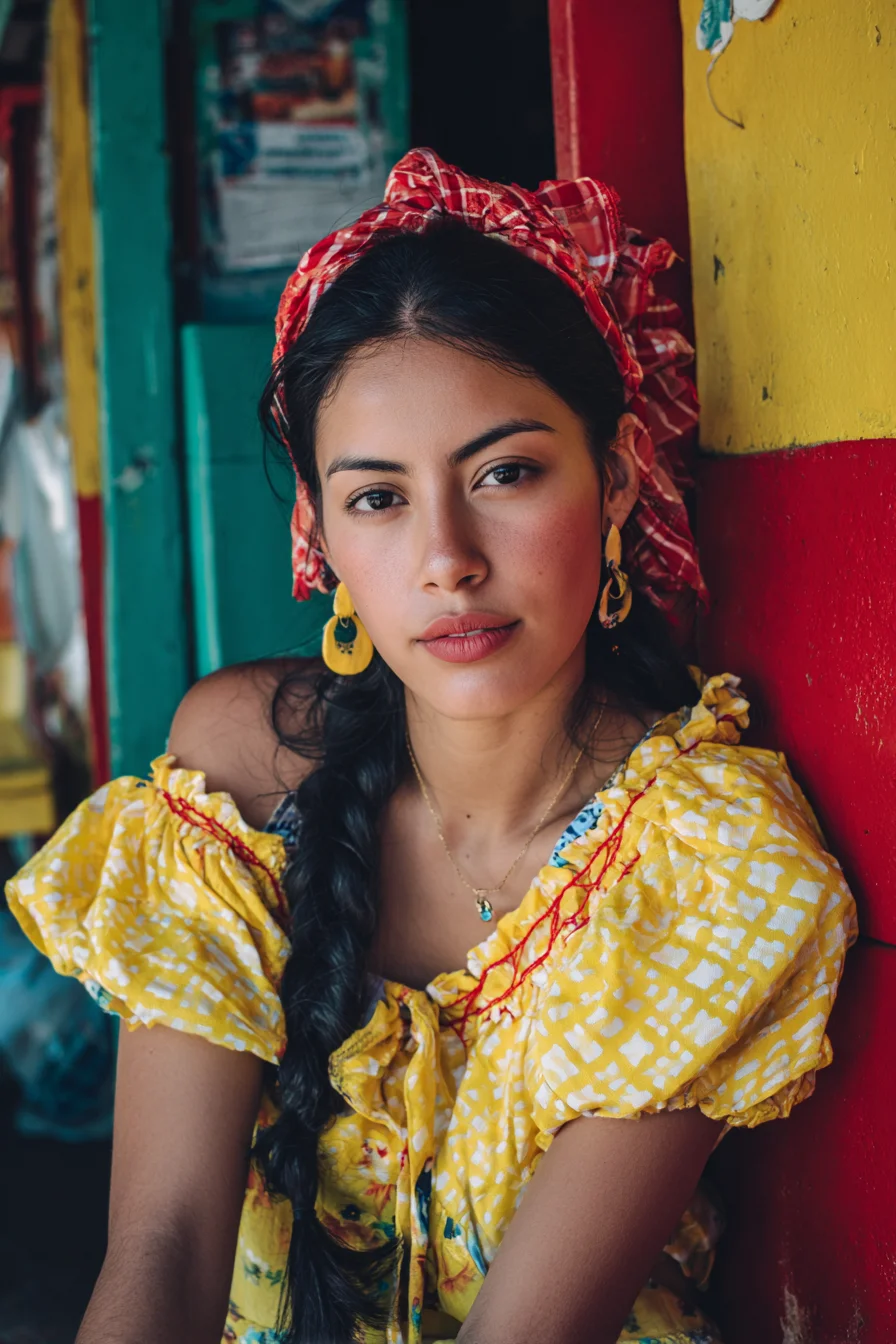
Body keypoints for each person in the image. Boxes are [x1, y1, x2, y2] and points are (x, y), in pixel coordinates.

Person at [6, 150, 857, 1344]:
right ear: (316, 531)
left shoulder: (703, 862)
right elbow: (164, 1247)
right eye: (378, 498)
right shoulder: (242, 779)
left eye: (504, 473)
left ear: (612, 481)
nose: (446, 556)